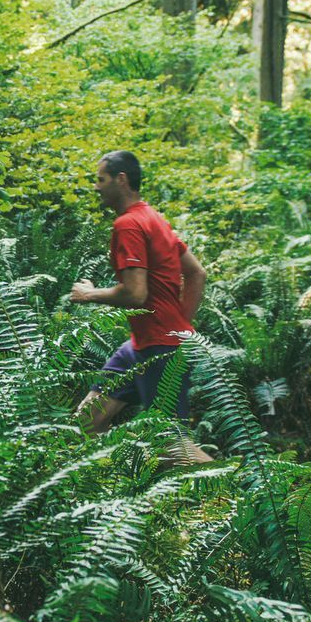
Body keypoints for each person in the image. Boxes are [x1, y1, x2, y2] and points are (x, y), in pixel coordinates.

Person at [69, 151, 214, 461]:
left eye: (101, 179)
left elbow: (135, 294)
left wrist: (89, 294)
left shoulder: (130, 224)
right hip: (139, 346)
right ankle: (110, 493)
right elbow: (197, 273)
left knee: (169, 444)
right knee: (86, 422)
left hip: (160, 349)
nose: (96, 186)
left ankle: (246, 495)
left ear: (121, 180)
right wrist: (179, 323)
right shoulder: (153, 217)